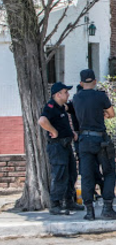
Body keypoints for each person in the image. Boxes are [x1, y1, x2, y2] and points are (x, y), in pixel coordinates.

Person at [73, 69, 116, 220]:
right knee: (109, 172)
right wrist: (104, 114)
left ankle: (89, 212)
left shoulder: (76, 98)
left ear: (81, 83)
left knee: (87, 176)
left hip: (84, 141)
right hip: (100, 140)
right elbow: (112, 114)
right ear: (94, 82)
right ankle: (107, 208)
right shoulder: (100, 96)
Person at [38, 82, 83, 215]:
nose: (68, 94)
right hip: (57, 146)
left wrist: (71, 133)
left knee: (71, 173)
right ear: (58, 94)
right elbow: (42, 121)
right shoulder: (51, 107)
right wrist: (53, 131)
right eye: (65, 92)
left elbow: (62, 122)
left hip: (66, 145)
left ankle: (69, 201)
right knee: (60, 175)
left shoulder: (61, 107)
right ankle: (55, 204)